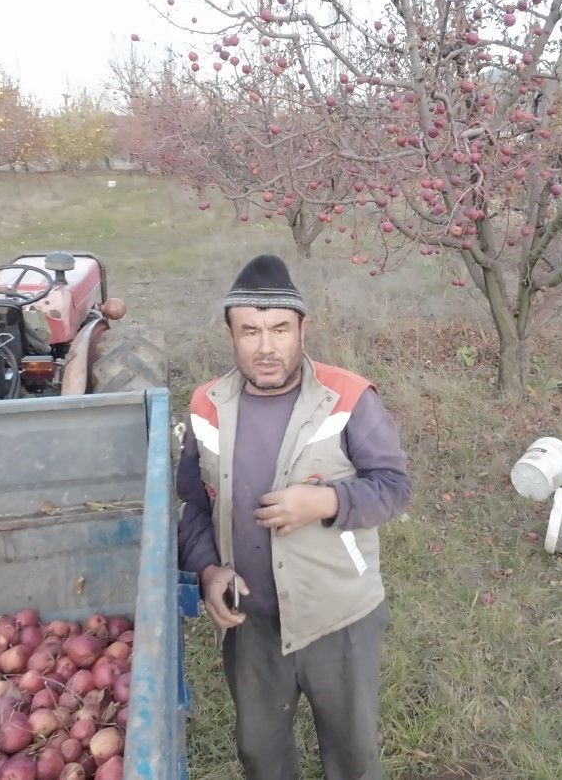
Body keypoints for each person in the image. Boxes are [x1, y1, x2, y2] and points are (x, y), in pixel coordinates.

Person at [176, 253, 413, 780]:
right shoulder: (205, 406)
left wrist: (326, 502)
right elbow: (194, 504)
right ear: (230, 335)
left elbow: (395, 488)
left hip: (339, 616)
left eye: (280, 329)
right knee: (262, 757)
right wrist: (208, 571)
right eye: (250, 331)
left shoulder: (348, 398)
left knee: (351, 757)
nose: (266, 348)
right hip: (252, 621)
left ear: (303, 328)